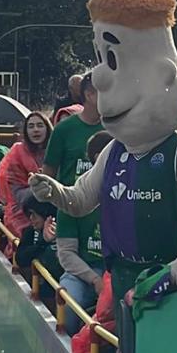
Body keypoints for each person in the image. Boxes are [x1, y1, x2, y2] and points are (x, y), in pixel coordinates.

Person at [29, 0, 177, 310]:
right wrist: (55, 192)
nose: (100, 78)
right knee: (123, 351)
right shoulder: (114, 152)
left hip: (165, 277)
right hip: (121, 276)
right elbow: (81, 201)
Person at [55, 129, 111, 333]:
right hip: (84, 273)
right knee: (69, 303)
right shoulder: (71, 198)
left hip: (119, 273)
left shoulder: (131, 195)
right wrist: (95, 280)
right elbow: (66, 253)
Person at [0, 111, 53, 240]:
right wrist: (38, 185)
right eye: (31, 126)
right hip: (23, 211)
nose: (36, 130)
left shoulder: (56, 150)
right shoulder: (17, 153)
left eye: (40, 125)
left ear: (47, 128)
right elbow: (18, 194)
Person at [42, 76, 101, 187]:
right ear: (89, 95)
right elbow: (48, 174)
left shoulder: (115, 129)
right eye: (105, 92)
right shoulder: (63, 129)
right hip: (70, 201)